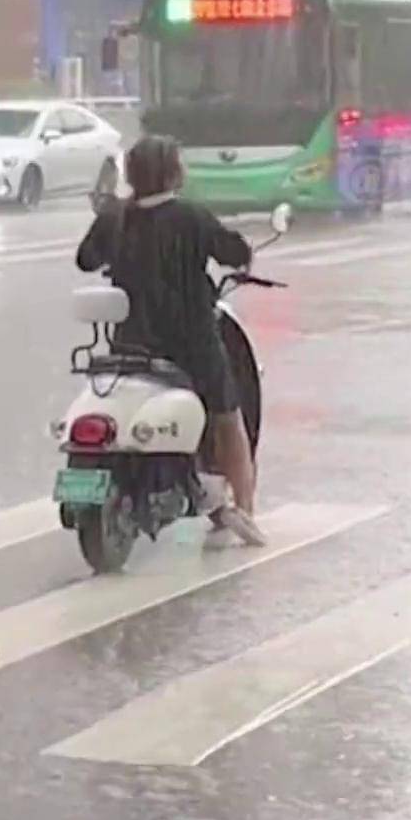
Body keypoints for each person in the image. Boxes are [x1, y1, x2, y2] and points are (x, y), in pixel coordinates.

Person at [76, 134, 266, 549]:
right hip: (191, 340)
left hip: (132, 341)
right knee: (227, 415)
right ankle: (246, 506)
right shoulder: (192, 218)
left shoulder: (115, 218)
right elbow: (234, 253)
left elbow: (86, 259)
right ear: (173, 172)